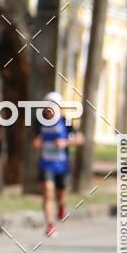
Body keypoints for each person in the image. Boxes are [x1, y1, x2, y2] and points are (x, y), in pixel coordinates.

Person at [32, 91, 84, 237]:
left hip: (61, 165)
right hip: (46, 164)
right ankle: (50, 225)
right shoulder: (39, 122)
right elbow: (36, 139)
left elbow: (80, 139)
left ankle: (62, 207)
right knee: (48, 193)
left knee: (61, 195)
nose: (49, 109)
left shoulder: (66, 122)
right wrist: (36, 143)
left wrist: (66, 142)